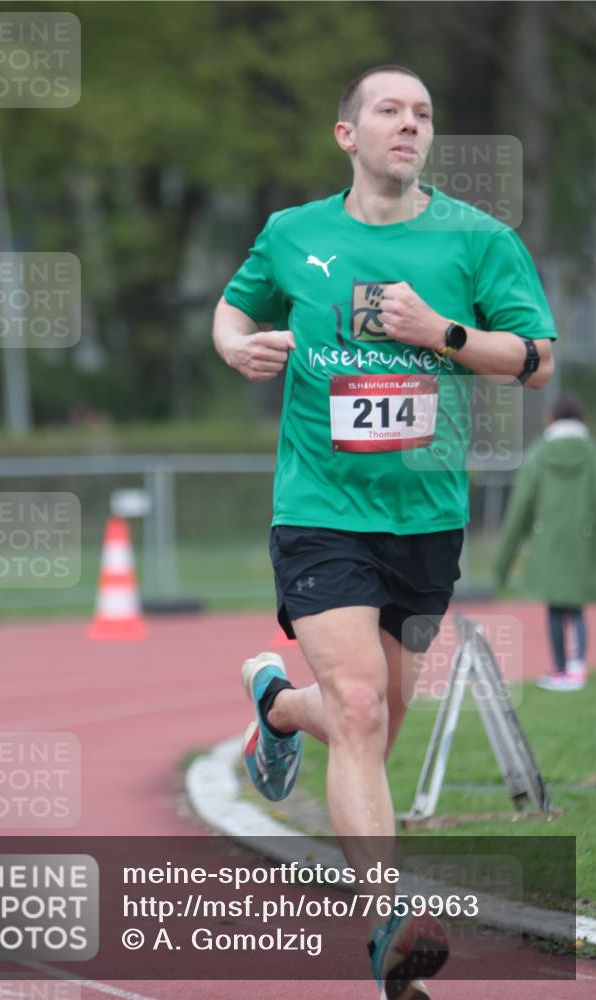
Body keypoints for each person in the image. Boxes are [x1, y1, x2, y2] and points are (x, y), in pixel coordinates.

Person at [213, 64, 556, 998]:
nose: (409, 126)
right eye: (389, 112)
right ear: (347, 136)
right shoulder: (293, 234)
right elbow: (235, 305)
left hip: (425, 521)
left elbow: (533, 361)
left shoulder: (477, 241)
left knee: (371, 722)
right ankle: (386, 921)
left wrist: (440, 331)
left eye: (423, 115)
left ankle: (277, 706)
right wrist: (233, 342)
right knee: (358, 709)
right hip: (319, 512)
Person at [494, 394, 595, 691]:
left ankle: (561, 670)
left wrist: (502, 565)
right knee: (575, 604)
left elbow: (519, 508)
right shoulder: (591, 454)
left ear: (551, 419)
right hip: (583, 541)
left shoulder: (538, 454)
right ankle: (578, 667)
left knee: (555, 605)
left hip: (546, 541)